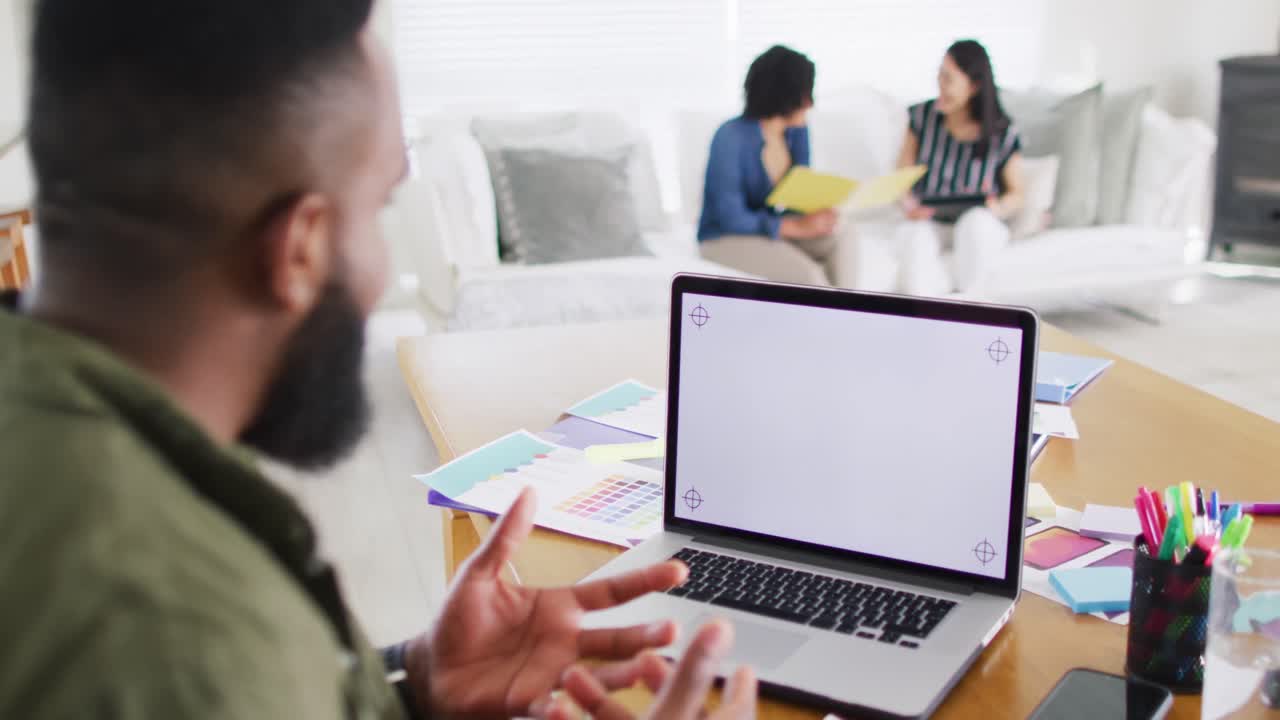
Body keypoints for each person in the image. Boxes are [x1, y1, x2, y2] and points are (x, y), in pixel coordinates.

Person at [0, 1, 756, 718]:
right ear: (299, 249)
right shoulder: (189, 637)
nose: (380, 260)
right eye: (378, 208)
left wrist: (409, 683)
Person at [883, 39, 1025, 296]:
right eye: (939, 76)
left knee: (977, 226)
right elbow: (900, 178)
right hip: (929, 218)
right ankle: (926, 310)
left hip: (976, 217)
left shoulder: (1001, 131)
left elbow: (1016, 194)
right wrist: (908, 205)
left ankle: (970, 306)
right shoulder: (921, 117)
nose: (940, 86)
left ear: (974, 85)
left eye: (948, 79)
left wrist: (998, 207)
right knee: (915, 239)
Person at [697, 45, 839, 287]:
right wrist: (791, 227)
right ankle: (832, 318)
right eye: (806, 95)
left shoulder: (797, 132)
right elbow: (730, 217)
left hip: (772, 231)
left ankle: (850, 316)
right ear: (785, 95)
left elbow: (798, 193)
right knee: (810, 277)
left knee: (845, 234)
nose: (810, 104)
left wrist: (816, 213)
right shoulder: (730, 137)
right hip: (724, 237)